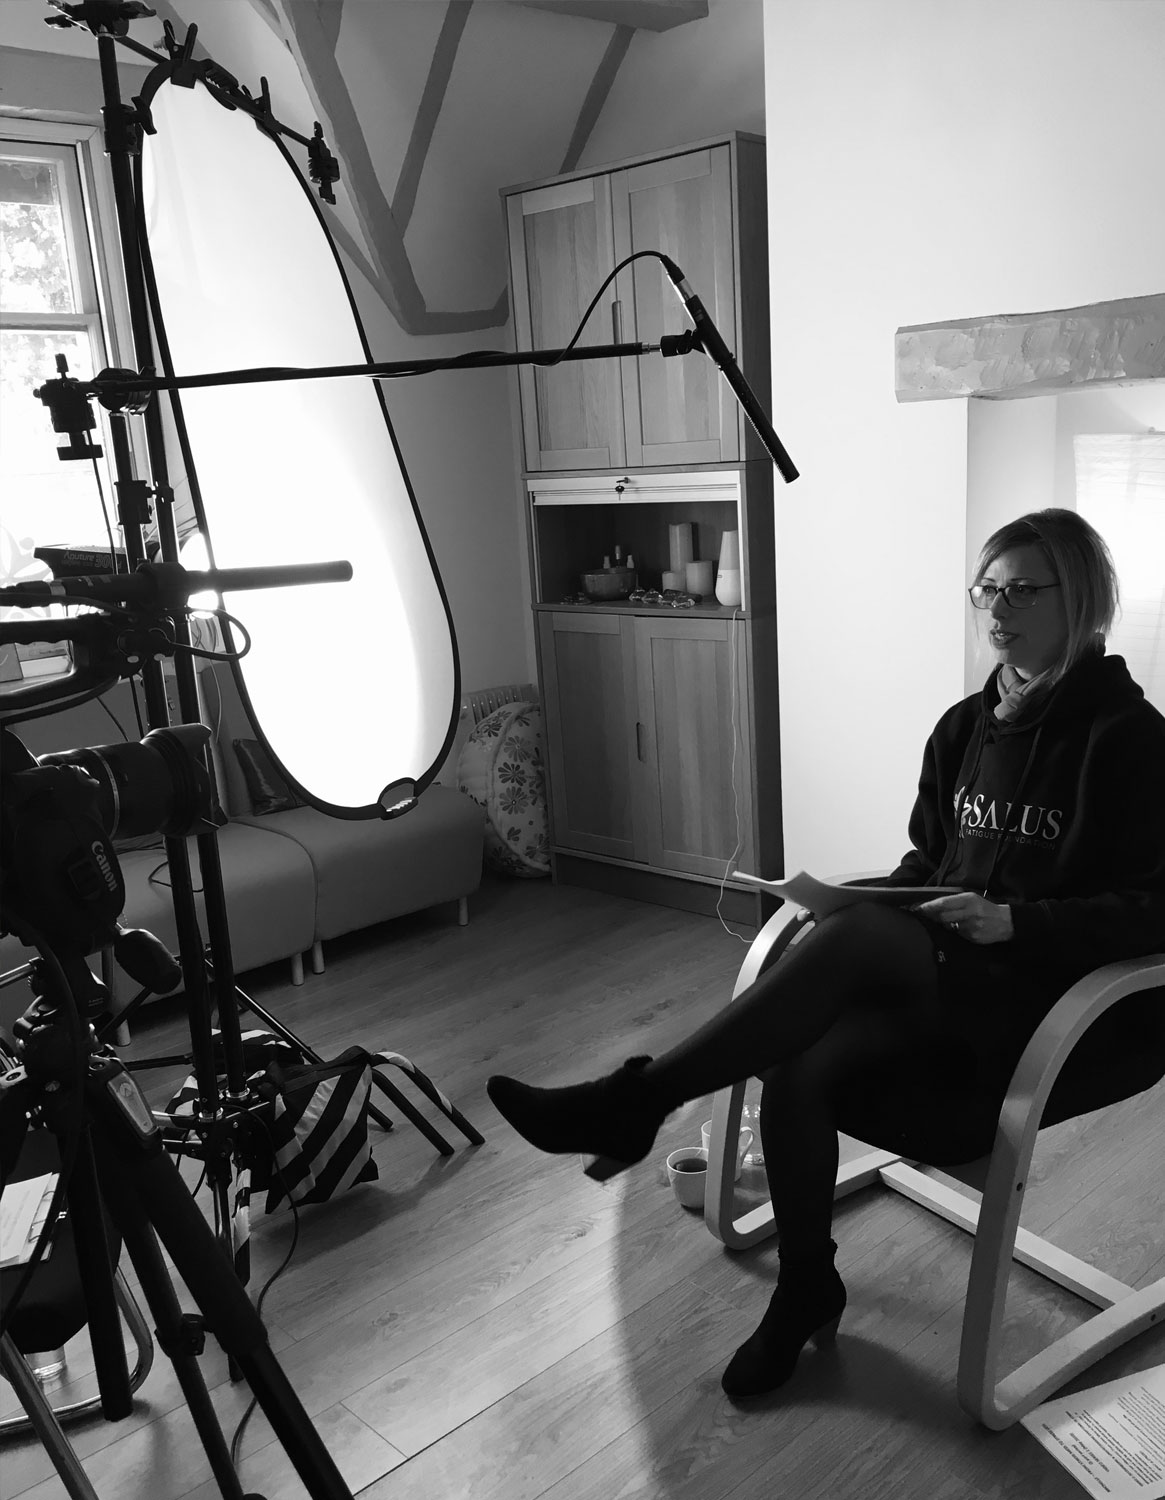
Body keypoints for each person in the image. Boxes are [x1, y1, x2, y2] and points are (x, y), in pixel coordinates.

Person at [487, 508, 1165, 1402]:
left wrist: (1017, 926)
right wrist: (872, 901)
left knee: (840, 962)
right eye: (985, 590)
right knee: (798, 1066)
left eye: (1022, 590)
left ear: (1076, 599)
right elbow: (930, 863)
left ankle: (636, 1100)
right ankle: (807, 1284)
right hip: (952, 979)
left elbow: (1154, 907)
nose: (997, 609)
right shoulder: (965, 727)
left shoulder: (1129, 739)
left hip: (1048, 999)